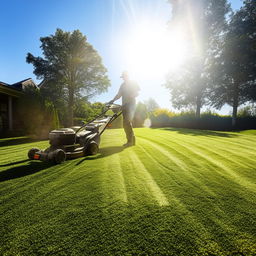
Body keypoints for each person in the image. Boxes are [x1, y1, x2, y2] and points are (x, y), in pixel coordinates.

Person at [109, 71, 140, 147]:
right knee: (125, 124)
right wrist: (113, 100)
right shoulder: (122, 85)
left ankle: (130, 141)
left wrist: (132, 95)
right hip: (124, 105)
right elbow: (119, 95)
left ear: (128, 76)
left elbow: (137, 92)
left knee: (127, 122)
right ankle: (132, 140)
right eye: (123, 77)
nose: (124, 78)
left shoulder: (133, 82)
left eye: (125, 76)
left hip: (131, 104)